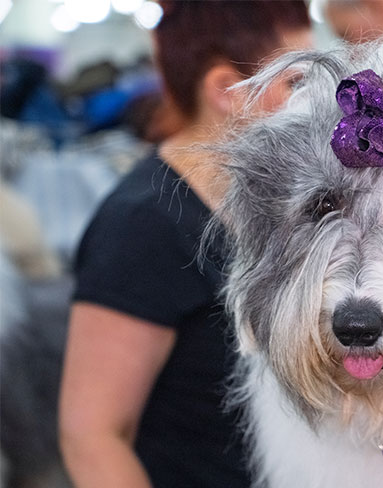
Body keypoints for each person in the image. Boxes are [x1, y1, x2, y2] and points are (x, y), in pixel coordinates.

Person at [57, 2, 310, 487]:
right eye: (296, 83)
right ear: (225, 91)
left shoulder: (279, 199)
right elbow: (92, 436)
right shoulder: (142, 225)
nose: (318, 99)